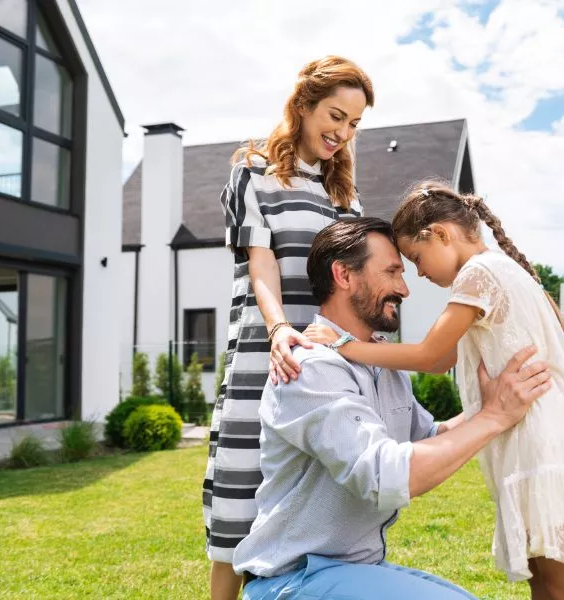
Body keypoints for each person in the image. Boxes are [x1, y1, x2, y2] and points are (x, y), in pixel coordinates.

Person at [306, 183, 564, 600]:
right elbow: (445, 360)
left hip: (537, 440)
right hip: (535, 435)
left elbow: (430, 356)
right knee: (545, 575)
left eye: (417, 259)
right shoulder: (499, 271)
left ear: (440, 234)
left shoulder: (478, 275)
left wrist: (344, 346)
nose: (420, 275)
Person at [234, 218, 554, 600]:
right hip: (292, 580)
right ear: (344, 275)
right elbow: (385, 476)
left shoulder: (381, 363)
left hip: (354, 569)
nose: (404, 289)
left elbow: (429, 439)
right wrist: (492, 417)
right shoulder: (309, 369)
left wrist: (494, 405)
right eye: (392, 272)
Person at [203, 55, 374, 600]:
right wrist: (279, 331)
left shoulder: (345, 198)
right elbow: (263, 264)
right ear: (302, 106)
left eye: (353, 124)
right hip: (264, 358)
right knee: (237, 520)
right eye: (335, 115)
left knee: (316, 523)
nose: (342, 132)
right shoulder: (252, 172)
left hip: (325, 372)